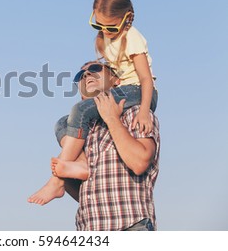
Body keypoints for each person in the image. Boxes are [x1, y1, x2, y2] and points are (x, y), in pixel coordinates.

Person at [28, 0, 158, 205]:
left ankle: (56, 181)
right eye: (98, 25)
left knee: (78, 112)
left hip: (139, 90)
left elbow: (145, 78)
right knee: (63, 121)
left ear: (127, 18)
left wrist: (144, 111)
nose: (105, 31)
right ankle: (78, 165)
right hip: (94, 226)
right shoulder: (84, 129)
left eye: (96, 69)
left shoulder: (133, 41)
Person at [56, 62, 160, 230]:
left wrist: (112, 118)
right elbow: (83, 191)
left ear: (116, 80)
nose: (86, 75)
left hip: (130, 226)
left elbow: (139, 162)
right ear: (82, 96)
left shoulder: (136, 113)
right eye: (80, 76)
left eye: (94, 69)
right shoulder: (80, 133)